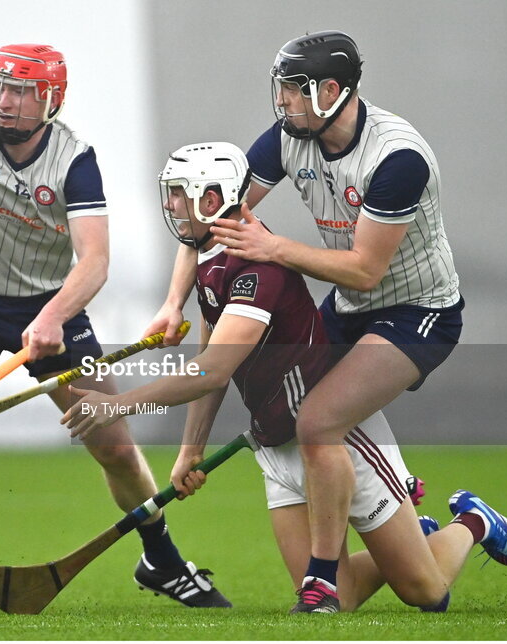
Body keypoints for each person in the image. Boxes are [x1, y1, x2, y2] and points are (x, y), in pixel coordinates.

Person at [66, 142, 507, 613]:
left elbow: (211, 370)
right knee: (337, 598)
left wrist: (117, 404)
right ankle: (408, 540)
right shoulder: (211, 260)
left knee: (427, 594)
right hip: (274, 445)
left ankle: (472, 522)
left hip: (339, 443)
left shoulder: (256, 270)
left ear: (211, 198)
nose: (170, 204)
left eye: (180, 193)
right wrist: (191, 450)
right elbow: (210, 356)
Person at [0, 44, 229, 613]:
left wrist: (50, 318)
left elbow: (94, 262)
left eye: (22, 91)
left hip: (51, 308)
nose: (7, 102)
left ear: (51, 99)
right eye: (1, 87)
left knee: (113, 445)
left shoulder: (74, 159)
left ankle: (161, 559)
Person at [143, 31, 467, 612]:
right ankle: (393, 520)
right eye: (282, 88)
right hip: (347, 307)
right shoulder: (290, 137)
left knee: (317, 421)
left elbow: (367, 271)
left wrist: (275, 250)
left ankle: (357, 564)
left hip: (416, 313)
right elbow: (210, 214)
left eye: (294, 89)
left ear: (332, 92)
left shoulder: (397, 159)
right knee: (288, 406)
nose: (282, 100)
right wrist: (173, 302)